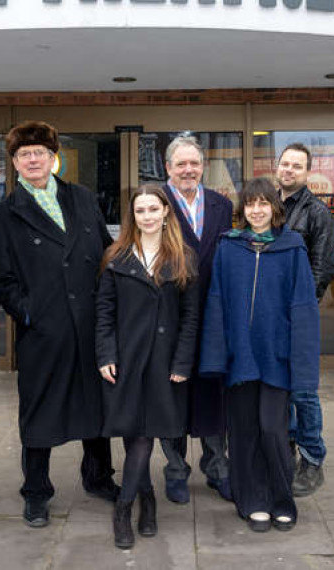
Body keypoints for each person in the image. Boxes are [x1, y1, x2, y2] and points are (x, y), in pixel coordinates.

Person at [0, 120, 119, 529]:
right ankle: (37, 491)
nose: (32, 160)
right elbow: (1, 279)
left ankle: (98, 477)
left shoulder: (80, 197)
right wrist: (31, 314)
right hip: (44, 331)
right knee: (40, 411)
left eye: (39, 153)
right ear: (14, 163)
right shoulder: (4, 215)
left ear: (53, 158)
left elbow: (103, 253)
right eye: (24, 155)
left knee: (96, 407)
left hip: (89, 322)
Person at [200, 177, 320, 533]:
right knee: (243, 431)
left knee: (273, 429)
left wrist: (301, 362)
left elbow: (303, 308)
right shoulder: (229, 246)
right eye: (250, 204)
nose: (256, 211)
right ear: (243, 210)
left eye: (263, 203)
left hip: (276, 357)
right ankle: (251, 500)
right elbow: (217, 301)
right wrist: (215, 356)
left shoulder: (292, 247)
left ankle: (281, 499)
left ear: (275, 208)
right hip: (240, 357)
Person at [95, 185, 200, 549]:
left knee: (145, 435)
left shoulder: (183, 257)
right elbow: (104, 312)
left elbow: (190, 318)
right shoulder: (116, 257)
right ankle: (147, 497)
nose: (148, 216)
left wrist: (183, 361)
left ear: (166, 211)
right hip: (125, 361)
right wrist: (105, 354)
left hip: (164, 363)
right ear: (133, 217)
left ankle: (125, 507)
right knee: (131, 432)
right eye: (141, 211)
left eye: (154, 209)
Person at [158, 135, 234, 504]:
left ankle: (217, 467)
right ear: (167, 168)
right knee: (171, 395)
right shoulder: (155, 204)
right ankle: (175, 470)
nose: (188, 170)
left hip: (214, 316)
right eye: (180, 164)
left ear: (202, 166)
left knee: (212, 394)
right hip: (169, 317)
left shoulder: (222, 204)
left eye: (194, 163)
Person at [276, 143, 334, 497]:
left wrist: (300, 306)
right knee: (279, 387)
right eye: (285, 164)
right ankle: (284, 447)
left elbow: (324, 267)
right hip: (270, 314)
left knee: (303, 390)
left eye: (296, 166)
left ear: (307, 172)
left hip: (298, 314)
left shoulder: (317, 213)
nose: (289, 170)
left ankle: (312, 458)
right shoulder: (267, 207)